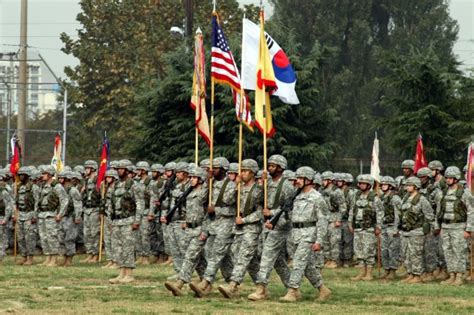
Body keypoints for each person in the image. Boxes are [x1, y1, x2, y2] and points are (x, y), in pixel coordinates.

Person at [279, 166, 330, 302]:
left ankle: (292, 291)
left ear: (308, 180)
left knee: (298, 263)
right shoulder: (296, 197)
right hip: (295, 233)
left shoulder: (317, 198)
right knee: (306, 266)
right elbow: (289, 216)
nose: (298, 181)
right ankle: (322, 289)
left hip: (309, 234)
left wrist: (319, 240)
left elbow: (322, 220)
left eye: (301, 178)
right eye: (298, 178)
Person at [248, 155, 294, 301]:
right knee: (278, 260)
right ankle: (292, 287)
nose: (269, 168)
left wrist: (272, 213)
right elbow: (256, 200)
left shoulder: (287, 185)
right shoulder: (267, 183)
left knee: (267, 257)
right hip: (266, 225)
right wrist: (261, 185)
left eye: (273, 166)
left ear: (280, 168)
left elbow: (290, 208)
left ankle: (261, 289)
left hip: (280, 226)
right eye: (269, 165)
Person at [190, 157, 236, 298]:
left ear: (223, 169)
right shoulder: (210, 183)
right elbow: (201, 199)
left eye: (215, 168)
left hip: (226, 224)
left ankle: (205, 282)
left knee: (216, 255)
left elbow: (231, 206)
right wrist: (207, 183)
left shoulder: (231, 185)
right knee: (216, 256)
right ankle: (230, 284)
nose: (212, 170)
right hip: (212, 224)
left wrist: (216, 210)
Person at [218, 159, 263, 299]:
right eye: (241, 171)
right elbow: (226, 200)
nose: (242, 174)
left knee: (243, 257)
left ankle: (233, 285)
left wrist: (244, 220)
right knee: (245, 258)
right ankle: (262, 287)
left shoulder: (259, 190)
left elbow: (261, 211)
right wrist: (234, 185)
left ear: (253, 173)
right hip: (238, 227)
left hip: (251, 226)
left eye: (245, 171)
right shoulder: (239, 187)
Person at [164, 167, 208, 296]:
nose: (191, 180)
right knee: (198, 259)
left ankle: (180, 283)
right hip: (189, 228)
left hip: (200, 228)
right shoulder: (189, 191)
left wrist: (205, 230)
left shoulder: (205, 191)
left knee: (190, 255)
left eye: (194, 177)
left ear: (201, 179)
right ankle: (205, 282)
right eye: (191, 177)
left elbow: (206, 213)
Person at [435, 166, 474, 285]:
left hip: (459, 226)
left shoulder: (464, 193)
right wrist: (439, 226)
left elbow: (471, 211)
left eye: (450, 178)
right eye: (446, 178)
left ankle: (459, 276)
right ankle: (451, 275)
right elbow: (439, 210)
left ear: (456, 179)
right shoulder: (443, 192)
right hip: (446, 227)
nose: (447, 180)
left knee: (459, 252)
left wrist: (469, 229)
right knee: (447, 251)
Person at [108, 160, 144, 284]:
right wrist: (110, 220)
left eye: (121, 169)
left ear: (128, 170)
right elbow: (111, 204)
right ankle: (121, 272)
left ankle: (129, 274)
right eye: (118, 168)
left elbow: (140, 203)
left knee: (128, 247)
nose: (119, 171)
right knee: (118, 248)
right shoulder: (116, 185)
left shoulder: (134, 185)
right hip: (117, 220)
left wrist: (137, 220)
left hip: (129, 220)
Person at [399, 177, 434, 284]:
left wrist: (427, 230)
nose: (407, 187)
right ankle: (410, 273)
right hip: (405, 230)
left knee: (416, 254)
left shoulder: (422, 199)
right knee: (406, 254)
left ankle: (417, 275)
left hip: (417, 231)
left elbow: (429, 216)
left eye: (410, 185)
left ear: (416, 186)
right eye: (407, 185)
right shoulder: (405, 198)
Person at [349, 174, 383, 281]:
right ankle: (361, 273)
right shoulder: (356, 196)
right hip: (358, 228)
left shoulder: (375, 198)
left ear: (369, 185)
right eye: (360, 183)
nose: (361, 185)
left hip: (369, 229)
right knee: (359, 251)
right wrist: (350, 223)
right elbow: (352, 210)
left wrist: (378, 227)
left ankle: (369, 274)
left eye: (364, 183)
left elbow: (380, 213)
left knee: (369, 251)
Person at [38, 166, 68, 267]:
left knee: (52, 237)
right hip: (42, 215)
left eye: (44, 173)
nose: (42, 176)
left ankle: (54, 259)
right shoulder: (43, 186)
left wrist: (60, 214)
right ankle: (48, 258)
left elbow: (64, 200)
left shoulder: (57, 186)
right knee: (44, 237)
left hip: (52, 215)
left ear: (50, 174)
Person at [321, 171, 347, 268]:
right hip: (325, 219)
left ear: (330, 181)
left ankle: (334, 260)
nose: (322, 182)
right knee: (325, 241)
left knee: (334, 241)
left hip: (334, 218)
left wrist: (338, 220)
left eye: (324, 180)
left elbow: (343, 207)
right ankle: (327, 259)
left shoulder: (337, 191)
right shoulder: (323, 191)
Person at [13, 167, 39, 265]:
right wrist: (15, 214)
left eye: (23, 175)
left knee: (29, 237)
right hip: (21, 214)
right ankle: (23, 256)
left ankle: (30, 258)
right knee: (20, 237)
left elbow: (37, 202)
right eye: (20, 175)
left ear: (28, 176)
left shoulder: (34, 187)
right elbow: (15, 202)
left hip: (30, 213)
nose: (21, 177)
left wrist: (35, 215)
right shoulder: (18, 187)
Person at [58, 171, 83, 266]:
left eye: (62, 177)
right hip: (63, 217)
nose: (60, 179)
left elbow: (78, 204)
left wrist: (77, 216)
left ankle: (69, 259)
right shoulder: (61, 189)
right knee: (61, 238)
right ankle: (64, 257)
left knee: (70, 238)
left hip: (71, 217)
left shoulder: (73, 190)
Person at [379, 176, 402, 280]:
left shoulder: (395, 198)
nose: (383, 186)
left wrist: (397, 228)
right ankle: (386, 269)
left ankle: (393, 270)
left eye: (385, 184)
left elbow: (398, 214)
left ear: (391, 186)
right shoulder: (382, 197)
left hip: (392, 226)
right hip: (383, 226)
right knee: (384, 250)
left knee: (393, 249)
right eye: (382, 184)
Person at [81, 160, 101, 263]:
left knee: (94, 233)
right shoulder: (86, 180)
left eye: (87, 168)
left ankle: (95, 255)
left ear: (93, 169)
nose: (86, 170)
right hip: (87, 209)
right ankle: (89, 253)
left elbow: (102, 196)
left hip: (95, 209)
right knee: (86, 233)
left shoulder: (98, 180)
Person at [135, 161, 153, 265]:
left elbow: (153, 199)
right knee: (138, 235)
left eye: (139, 169)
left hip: (146, 212)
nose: (137, 171)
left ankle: (146, 256)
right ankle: (140, 255)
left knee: (145, 235)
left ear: (144, 170)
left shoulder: (151, 183)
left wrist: (151, 213)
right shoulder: (138, 182)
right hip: (139, 212)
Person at [0, 169, 13, 262]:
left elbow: (9, 206)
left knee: (1, 237)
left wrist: (5, 218)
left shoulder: (4, 192)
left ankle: (1, 255)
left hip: (1, 217)